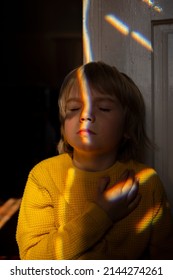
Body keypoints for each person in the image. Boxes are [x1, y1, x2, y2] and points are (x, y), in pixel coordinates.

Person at [16, 61, 173, 260]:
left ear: (127, 127)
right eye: (74, 108)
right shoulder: (43, 176)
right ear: (63, 126)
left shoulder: (147, 182)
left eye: (104, 108)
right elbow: (33, 260)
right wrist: (101, 213)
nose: (86, 115)